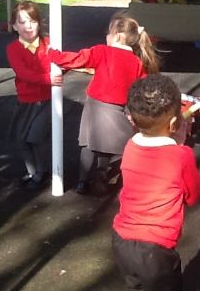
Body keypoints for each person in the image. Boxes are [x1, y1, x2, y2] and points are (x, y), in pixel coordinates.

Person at [112, 74, 200, 291]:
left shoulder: (130, 146)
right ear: (176, 124)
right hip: (156, 253)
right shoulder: (181, 156)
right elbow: (193, 195)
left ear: (132, 119)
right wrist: (181, 143)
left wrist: (175, 138)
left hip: (122, 243)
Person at [48, 13, 160, 195]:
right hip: (117, 109)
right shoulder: (136, 62)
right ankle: (102, 174)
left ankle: (82, 182)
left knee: (89, 144)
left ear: (117, 36)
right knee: (109, 145)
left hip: (95, 105)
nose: (106, 36)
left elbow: (78, 59)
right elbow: (141, 88)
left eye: (108, 33)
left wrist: (55, 56)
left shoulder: (102, 52)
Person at [6, 0, 63, 191]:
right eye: (22, 22)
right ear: (14, 26)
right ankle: (32, 172)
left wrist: (62, 69)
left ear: (39, 23)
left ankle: (42, 171)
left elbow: (60, 62)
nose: (28, 26)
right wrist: (48, 78)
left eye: (32, 21)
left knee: (35, 138)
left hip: (46, 100)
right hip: (25, 101)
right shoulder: (13, 49)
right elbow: (23, 73)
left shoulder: (48, 43)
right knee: (23, 140)